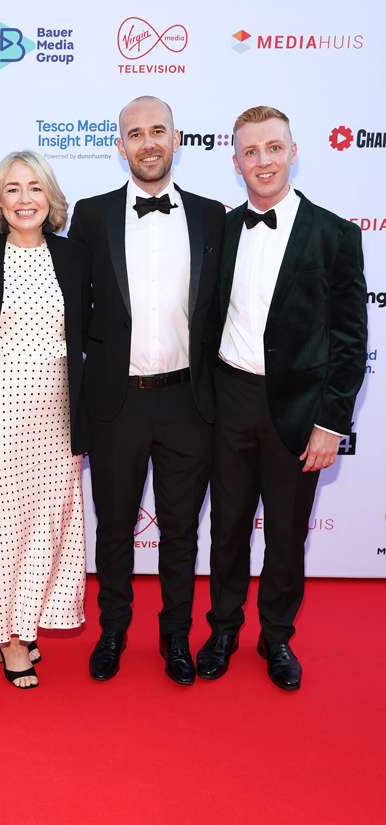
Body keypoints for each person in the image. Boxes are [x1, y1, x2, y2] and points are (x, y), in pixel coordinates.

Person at [197, 106, 367, 690]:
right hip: (229, 399)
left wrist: (331, 422)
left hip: (299, 406)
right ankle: (223, 628)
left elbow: (350, 339)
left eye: (273, 148)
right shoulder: (219, 230)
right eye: (250, 151)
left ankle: (276, 636)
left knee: (288, 532)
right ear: (236, 160)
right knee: (227, 528)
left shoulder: (335, 234)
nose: (262, 160)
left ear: (293, 152)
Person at [68, 96, 225, 684]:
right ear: (121, 145)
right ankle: (112, 631)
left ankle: (175, 637)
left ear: (176, 138)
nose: (148, 142)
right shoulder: (90, 214)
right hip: (117, 401)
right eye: (135, 133)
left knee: (182, 529)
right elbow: (71, 310)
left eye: (158, 130)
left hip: (190, 401)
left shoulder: (214, 217)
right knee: (113, 527)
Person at [0, 151, 91, 689]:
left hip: (55, 413)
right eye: (12, 189)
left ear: (51, 197)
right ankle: (7, 638)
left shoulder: (75, 257)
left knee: (45, 526)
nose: (25, 198)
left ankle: (26, 617)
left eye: (35, 187)